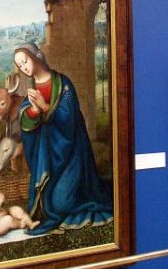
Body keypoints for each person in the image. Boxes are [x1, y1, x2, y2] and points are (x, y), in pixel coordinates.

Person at [14, 42, 112, 235]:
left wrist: (45, 108)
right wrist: (34, 111)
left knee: (60, 205)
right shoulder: (32, 90)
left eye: (24, 61)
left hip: (70, 155)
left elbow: (69, 120)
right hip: (47, 158)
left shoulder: (63, 84)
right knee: (49, 205)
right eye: (19, 65)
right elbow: (26, 119)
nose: (23, 67)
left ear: (35, 56)